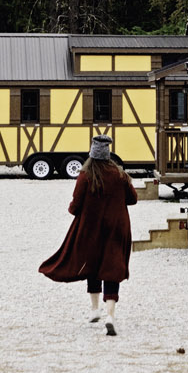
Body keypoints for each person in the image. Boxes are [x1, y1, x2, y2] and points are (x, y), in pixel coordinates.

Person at [38, 135, 137, 335]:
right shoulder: (120, 175)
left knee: (92, 264)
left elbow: (75, 206)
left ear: (91, 155)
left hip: (91, 228)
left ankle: (95, 310)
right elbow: (133, 199)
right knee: (112, 267)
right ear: (108, 155)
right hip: (117, 227)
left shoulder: (85, 175)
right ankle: (110, 315)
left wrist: (76, 209)